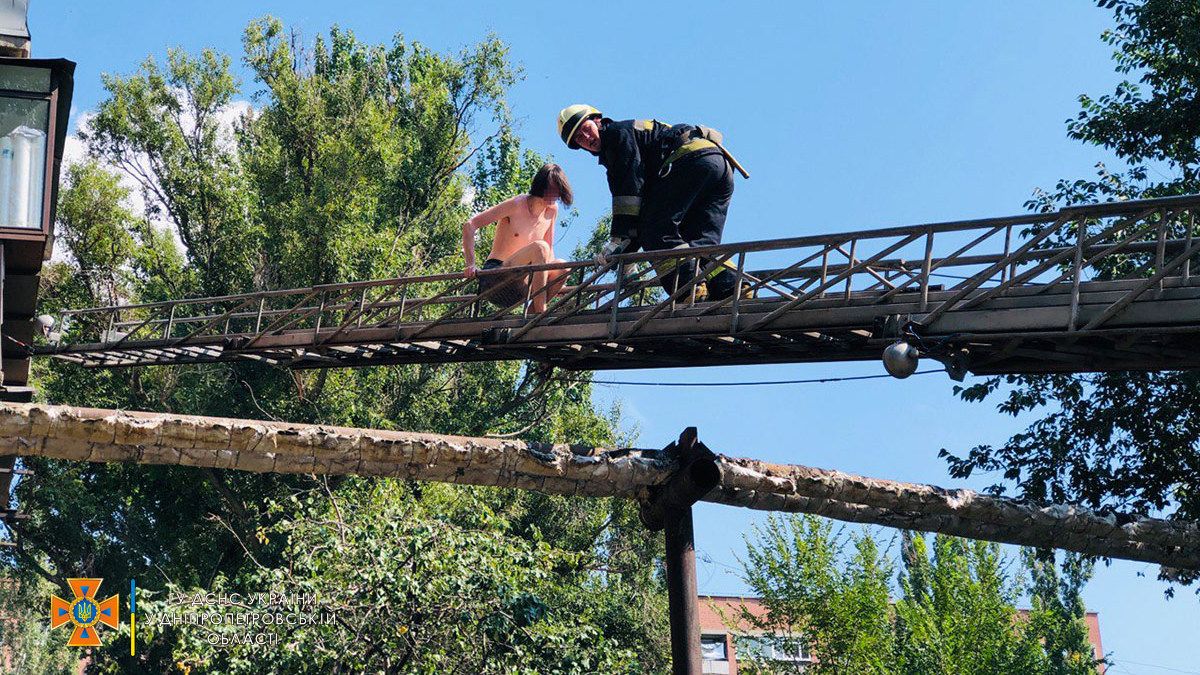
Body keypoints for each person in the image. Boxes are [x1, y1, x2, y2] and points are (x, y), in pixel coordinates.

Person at [556, 104, 742, 301]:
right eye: (579, 138)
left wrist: (618, 241)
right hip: (717, 166)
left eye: (585, 129)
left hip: (690, 161)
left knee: (655, 231)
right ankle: (732, 288)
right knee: (698, 241)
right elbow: (643, 203)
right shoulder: (630, 136)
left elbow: (629, 192)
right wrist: (627, 251)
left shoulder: (618, 135)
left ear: (597, 121)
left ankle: (688, 289)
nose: (586, 138)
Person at [462, 163, 574, 313]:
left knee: (563, 266)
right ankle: (541, 313)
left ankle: (531, 320)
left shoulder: (552, 211)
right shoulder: (517, 204)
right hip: (495, 278)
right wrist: (471, 264)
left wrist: (558, 282)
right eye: (550, 190)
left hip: (522, 285)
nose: (553, 196)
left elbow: (549, 251)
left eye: (557, 192)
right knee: (540, 247)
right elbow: (470, 225)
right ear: (540, 186)